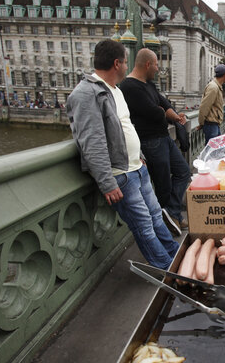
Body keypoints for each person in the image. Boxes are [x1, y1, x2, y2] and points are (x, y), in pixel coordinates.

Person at [66, 39, 179, 268]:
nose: (128, 67)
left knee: (156, 216)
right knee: (144, 227)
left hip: (137, 168)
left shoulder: (116, 90)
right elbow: (92, 142)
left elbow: (127, 127)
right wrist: (107, 182)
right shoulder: (86, 94)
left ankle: (177, 256)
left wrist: (141, 158)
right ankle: (168, 270)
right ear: (117, 63)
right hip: (121, 176)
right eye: (126, 62)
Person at [118, 48, 191, 236]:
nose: (158, 69)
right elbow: (155, 113)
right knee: (163, 183)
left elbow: (163, 104)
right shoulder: (129, 87)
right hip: (150, 141)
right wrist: (161, 111)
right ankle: (165, 222)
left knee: (183, 172)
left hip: (164, 137)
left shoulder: (149, 84)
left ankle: (172, 212)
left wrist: (173, 115)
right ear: (148, 64)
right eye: (157, 64)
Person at [199, 63, 225, 142]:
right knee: (212, 151)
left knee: (215, 150)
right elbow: (204, 106)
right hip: (211, 124)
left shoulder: (217, 86)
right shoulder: (213, 87)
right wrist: (201, 123)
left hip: (214, 124)